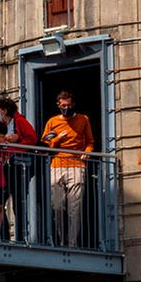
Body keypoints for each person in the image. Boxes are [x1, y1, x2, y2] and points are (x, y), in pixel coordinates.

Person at [41, 90, 94, 245]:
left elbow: (90, 142)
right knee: (57, 206)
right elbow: (45, 142)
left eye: (69, 105)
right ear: (58, 105)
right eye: (63, 105)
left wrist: (87, 153)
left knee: (74, 208)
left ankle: (72, 243)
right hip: (57, 166)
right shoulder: (52, 122)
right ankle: (62, 239)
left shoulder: (83, 120)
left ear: (73, 105)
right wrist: (58, 138)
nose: (66, 108)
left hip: (77, 166)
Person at [0, 96, 40, 242]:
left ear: (5, 110)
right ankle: (4, 235)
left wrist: (17, 141)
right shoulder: (3, 125)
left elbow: (32, 139)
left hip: (19, 166)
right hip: (7, 166)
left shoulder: (20, 121)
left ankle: (19, 236)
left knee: (18, 203)